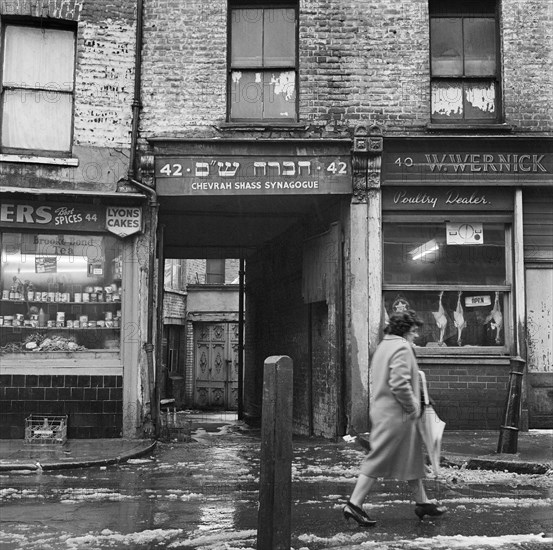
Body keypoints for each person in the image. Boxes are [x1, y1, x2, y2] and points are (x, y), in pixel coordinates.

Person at [343, 309, 447, 526]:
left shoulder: (384, 345)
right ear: (405, 330)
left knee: (411, 457)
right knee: (379, 457)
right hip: (396, 414)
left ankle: (422, 501)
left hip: (386, 411)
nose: (416, 335)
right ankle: (354, 504)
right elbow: (399, 382)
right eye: (414, 330)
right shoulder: (401, 347)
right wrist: (412, 407)